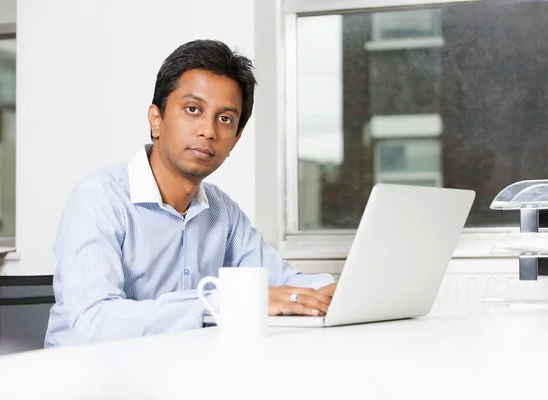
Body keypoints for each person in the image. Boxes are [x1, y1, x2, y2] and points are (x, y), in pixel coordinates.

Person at [45, 39, 337, 347]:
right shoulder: (99, 198)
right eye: (193, 109)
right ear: (156, 119)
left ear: (235, 139)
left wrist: (335, 292)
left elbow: (283, 282)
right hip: (88, 379)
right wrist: (231, 303)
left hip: (177, 372)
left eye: (225, 119)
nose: (208, 131)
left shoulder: (221, 210)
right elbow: (93, 323)